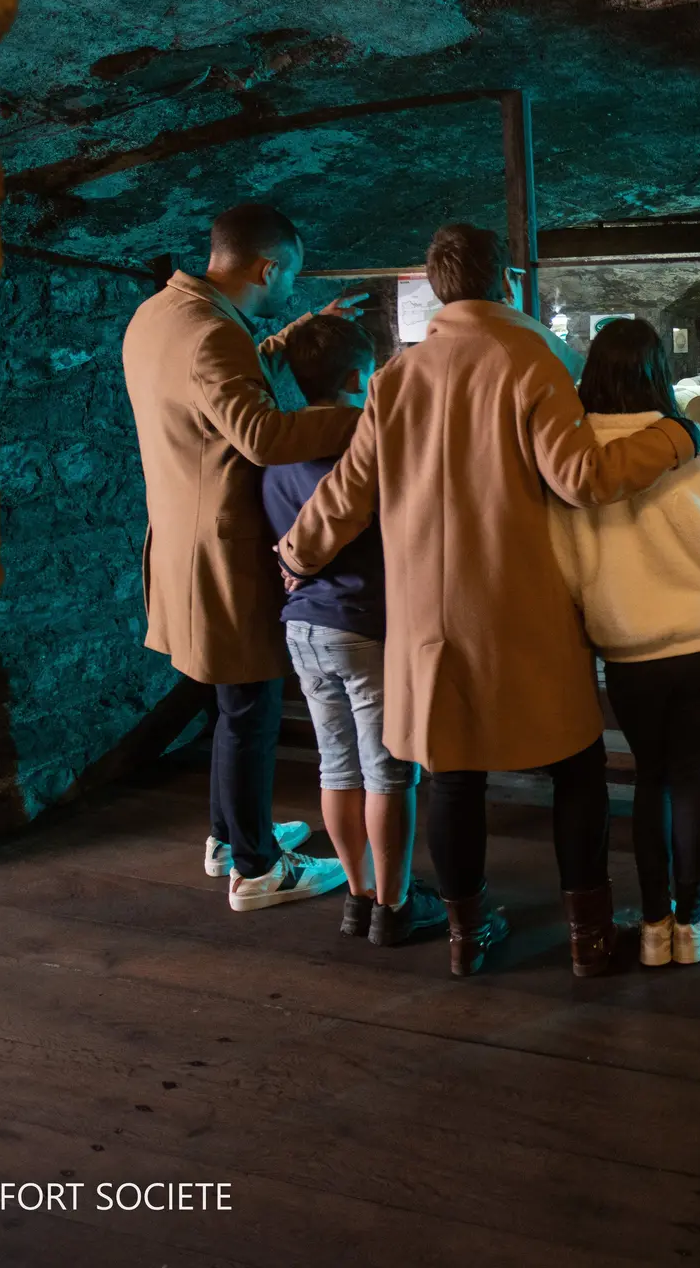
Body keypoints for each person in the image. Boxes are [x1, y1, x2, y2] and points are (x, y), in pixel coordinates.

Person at [276, 224, 700, 978]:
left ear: (439, 289)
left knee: (452, 774)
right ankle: (590, 937)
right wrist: (676, 440)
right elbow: (582, 478)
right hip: (523, 613)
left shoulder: (397, 378)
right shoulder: (528, 358)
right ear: (505, 282)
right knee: (576, 770)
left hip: (430, 624)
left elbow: (348, 493)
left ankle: (464, 939)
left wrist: (295, 554)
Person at [123, 202, 362, 910]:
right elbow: (258, 434)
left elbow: (214, 387)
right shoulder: (210, 337)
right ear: (269, 268)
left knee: (232, 705)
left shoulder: (160, 315)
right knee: (250, 707)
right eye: (289, 280)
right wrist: (376, 415)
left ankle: (230, 836)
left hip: (179, 542)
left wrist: (287, 337)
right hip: (222, 553)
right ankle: (257, 868)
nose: (290, 287)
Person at [549, 319, 700, 967]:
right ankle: (692, 925)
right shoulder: (689, 447)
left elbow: (568, 573)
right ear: (658, 372)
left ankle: (651, 926)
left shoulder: (573, 464)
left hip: (631, 652)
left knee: (650, 782)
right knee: (694, 780)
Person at [260, 316, 445, 946]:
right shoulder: (364, 443)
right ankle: (394, 906)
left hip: (303, 627)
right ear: (356, 376)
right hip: (365, 626)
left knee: (335, 767)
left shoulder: (277, 450)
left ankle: (357, 895)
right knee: (387, 771)